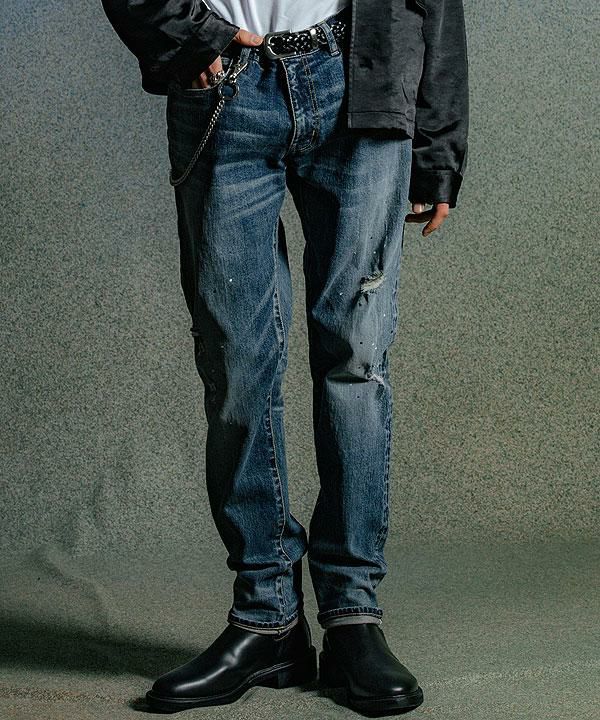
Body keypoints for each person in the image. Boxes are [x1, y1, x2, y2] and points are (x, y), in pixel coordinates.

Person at [101, 0, 468, 714]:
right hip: (226, 87)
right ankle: (266, 617)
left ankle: (353, 615)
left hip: (361, 78)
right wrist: (187, 35)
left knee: (356, 360)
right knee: (237, 364)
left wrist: (439, 147)